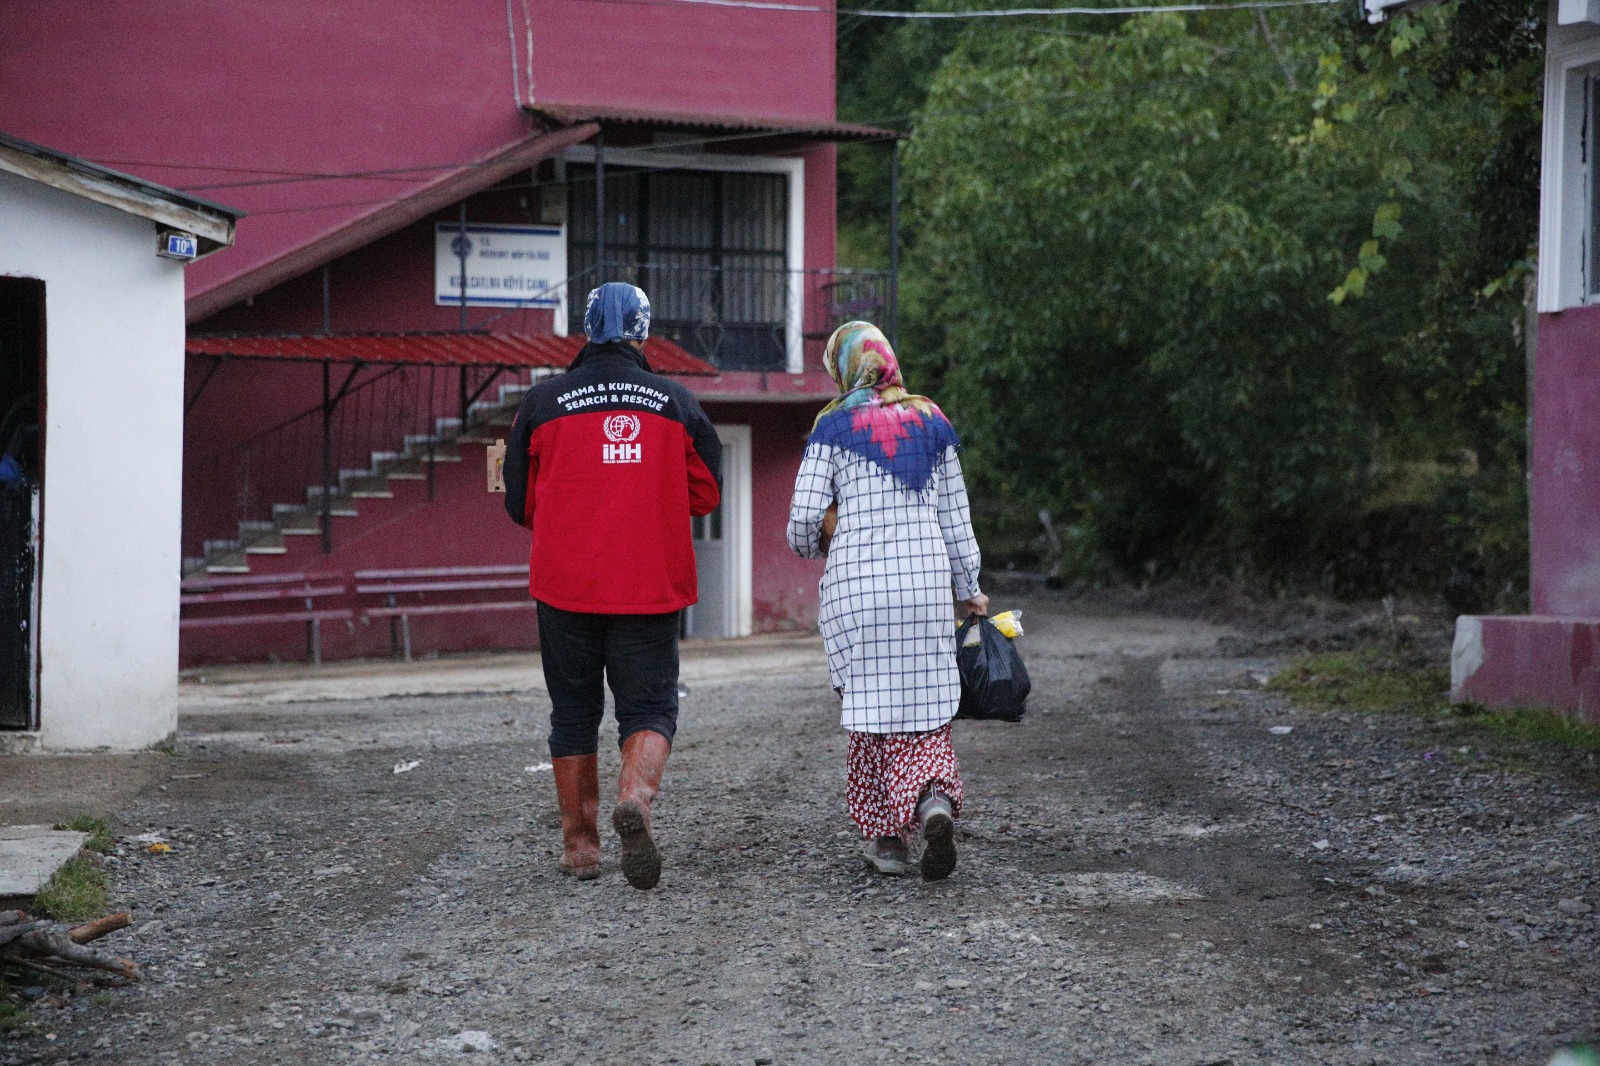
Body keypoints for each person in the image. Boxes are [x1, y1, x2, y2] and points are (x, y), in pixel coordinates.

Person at [503, 282, 722, 889]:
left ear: (587, 327)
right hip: (649, 585)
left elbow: (520, 503)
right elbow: (705, 493)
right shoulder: (677, 402)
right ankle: (636, 802)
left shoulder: (541, 402)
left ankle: (580, 850)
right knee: (649, 708)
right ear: (642, 332)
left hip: (564, 586)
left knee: (572, 712)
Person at [787, 321, 986, 881]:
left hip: (856, 595)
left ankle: (886, 840)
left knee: (871, 713)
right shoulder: (932, 418)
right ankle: (932, 802)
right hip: (925, 589)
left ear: (844, 366)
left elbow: (803, 521)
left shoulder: (831, 425)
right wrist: (969, 590)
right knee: (923, 708)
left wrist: (813, 545)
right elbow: (957, 522)